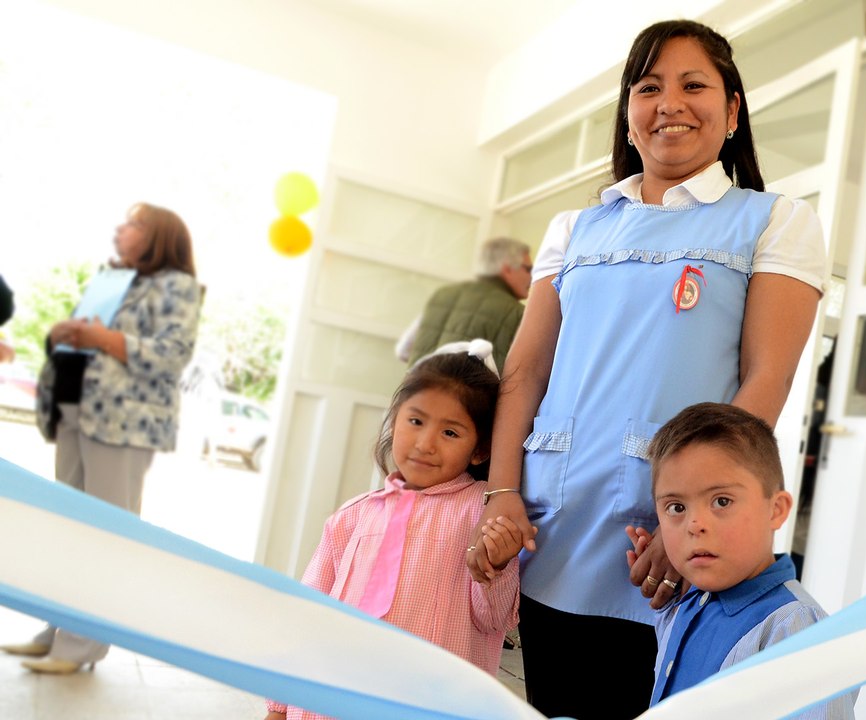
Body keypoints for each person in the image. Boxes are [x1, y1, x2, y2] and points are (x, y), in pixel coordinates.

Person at [466, 19, 825, 718]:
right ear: (628, 113)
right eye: (649, 87)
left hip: (668, 549)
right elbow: (525, 374)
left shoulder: (775, 221)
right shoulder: (574, 229)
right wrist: (500, 492)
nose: (670, 104)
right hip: (551, 528)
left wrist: (689, 521)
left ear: (732, 110)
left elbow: (766, 380)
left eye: (694, 85)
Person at [265, 340, 520, 720]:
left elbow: (494, 620)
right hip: (330, 700)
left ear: (480, 450)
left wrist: (496, 566)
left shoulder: (482, 511)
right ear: (395, 420)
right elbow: (308, 614)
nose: (425, 444)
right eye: (415, 421)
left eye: (450, 433)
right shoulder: (353, 516)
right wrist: (278, 705)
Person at [1, 203, 201, 674]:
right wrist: (60, 333)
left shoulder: (177, 286)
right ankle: (56, 632)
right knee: (69, 531)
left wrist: (102, 340)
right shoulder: (111, 278)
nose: (120, 228)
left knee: (103, 536)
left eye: (133, 223)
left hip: (123, 423)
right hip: (76, 410)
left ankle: (82, 646)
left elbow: (171, 355)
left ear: (158, 236)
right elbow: (79, 337)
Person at [631, 402, 857, 716]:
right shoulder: (688, 603)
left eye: (722, 501)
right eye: (676, 508)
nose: (695, 525)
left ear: (776, 510)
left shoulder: (797, 629)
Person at [402, 237, 533, 373]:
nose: (532, 276)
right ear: (507, 269)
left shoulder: (443, 294)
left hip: (413, 385)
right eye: (528, 269)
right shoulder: (518, 313)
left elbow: (403, 351)